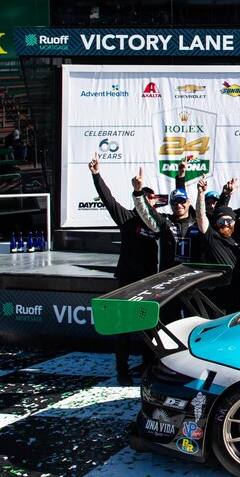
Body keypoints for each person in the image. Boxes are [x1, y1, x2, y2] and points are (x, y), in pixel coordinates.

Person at [89, 156, 157, 386]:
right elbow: (108, 200)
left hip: (151, 284)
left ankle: (149, 369)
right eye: (144, 197)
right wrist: (96, 175)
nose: (148, 202)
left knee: (150, 330)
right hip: (128, 283)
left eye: (151, 199)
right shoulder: (127, 218)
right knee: (124, 330)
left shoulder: (159, 224)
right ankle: (122, 371)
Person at [194, 177, 240, 313]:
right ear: (215, 223)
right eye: (221, 221)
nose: (225, 224)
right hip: (216, 300)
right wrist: (201, 194)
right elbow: (201, 216)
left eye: (229, 221)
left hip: (239, 297)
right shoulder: (212, 237)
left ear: (234, 223)